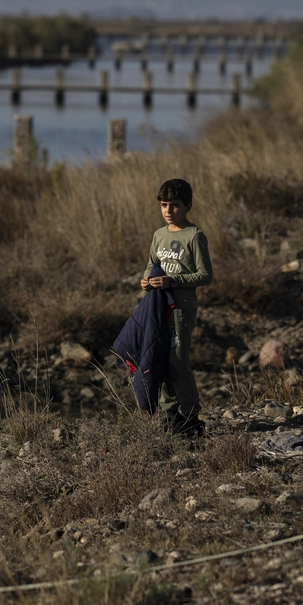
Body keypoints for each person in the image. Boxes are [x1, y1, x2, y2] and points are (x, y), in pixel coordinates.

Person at [140, 178, 211, 436]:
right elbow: (152, 263)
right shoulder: (159, 235)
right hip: (159, 307)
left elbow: (205, 275)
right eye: (164, 205)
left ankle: (191, 416)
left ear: (188, 206)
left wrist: (174, 281)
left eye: (175, 205)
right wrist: (147, 280)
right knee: (162, 359)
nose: (169, 210)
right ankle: (170, 417)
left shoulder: (194, 235)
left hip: (182, 308)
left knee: (178, 360)